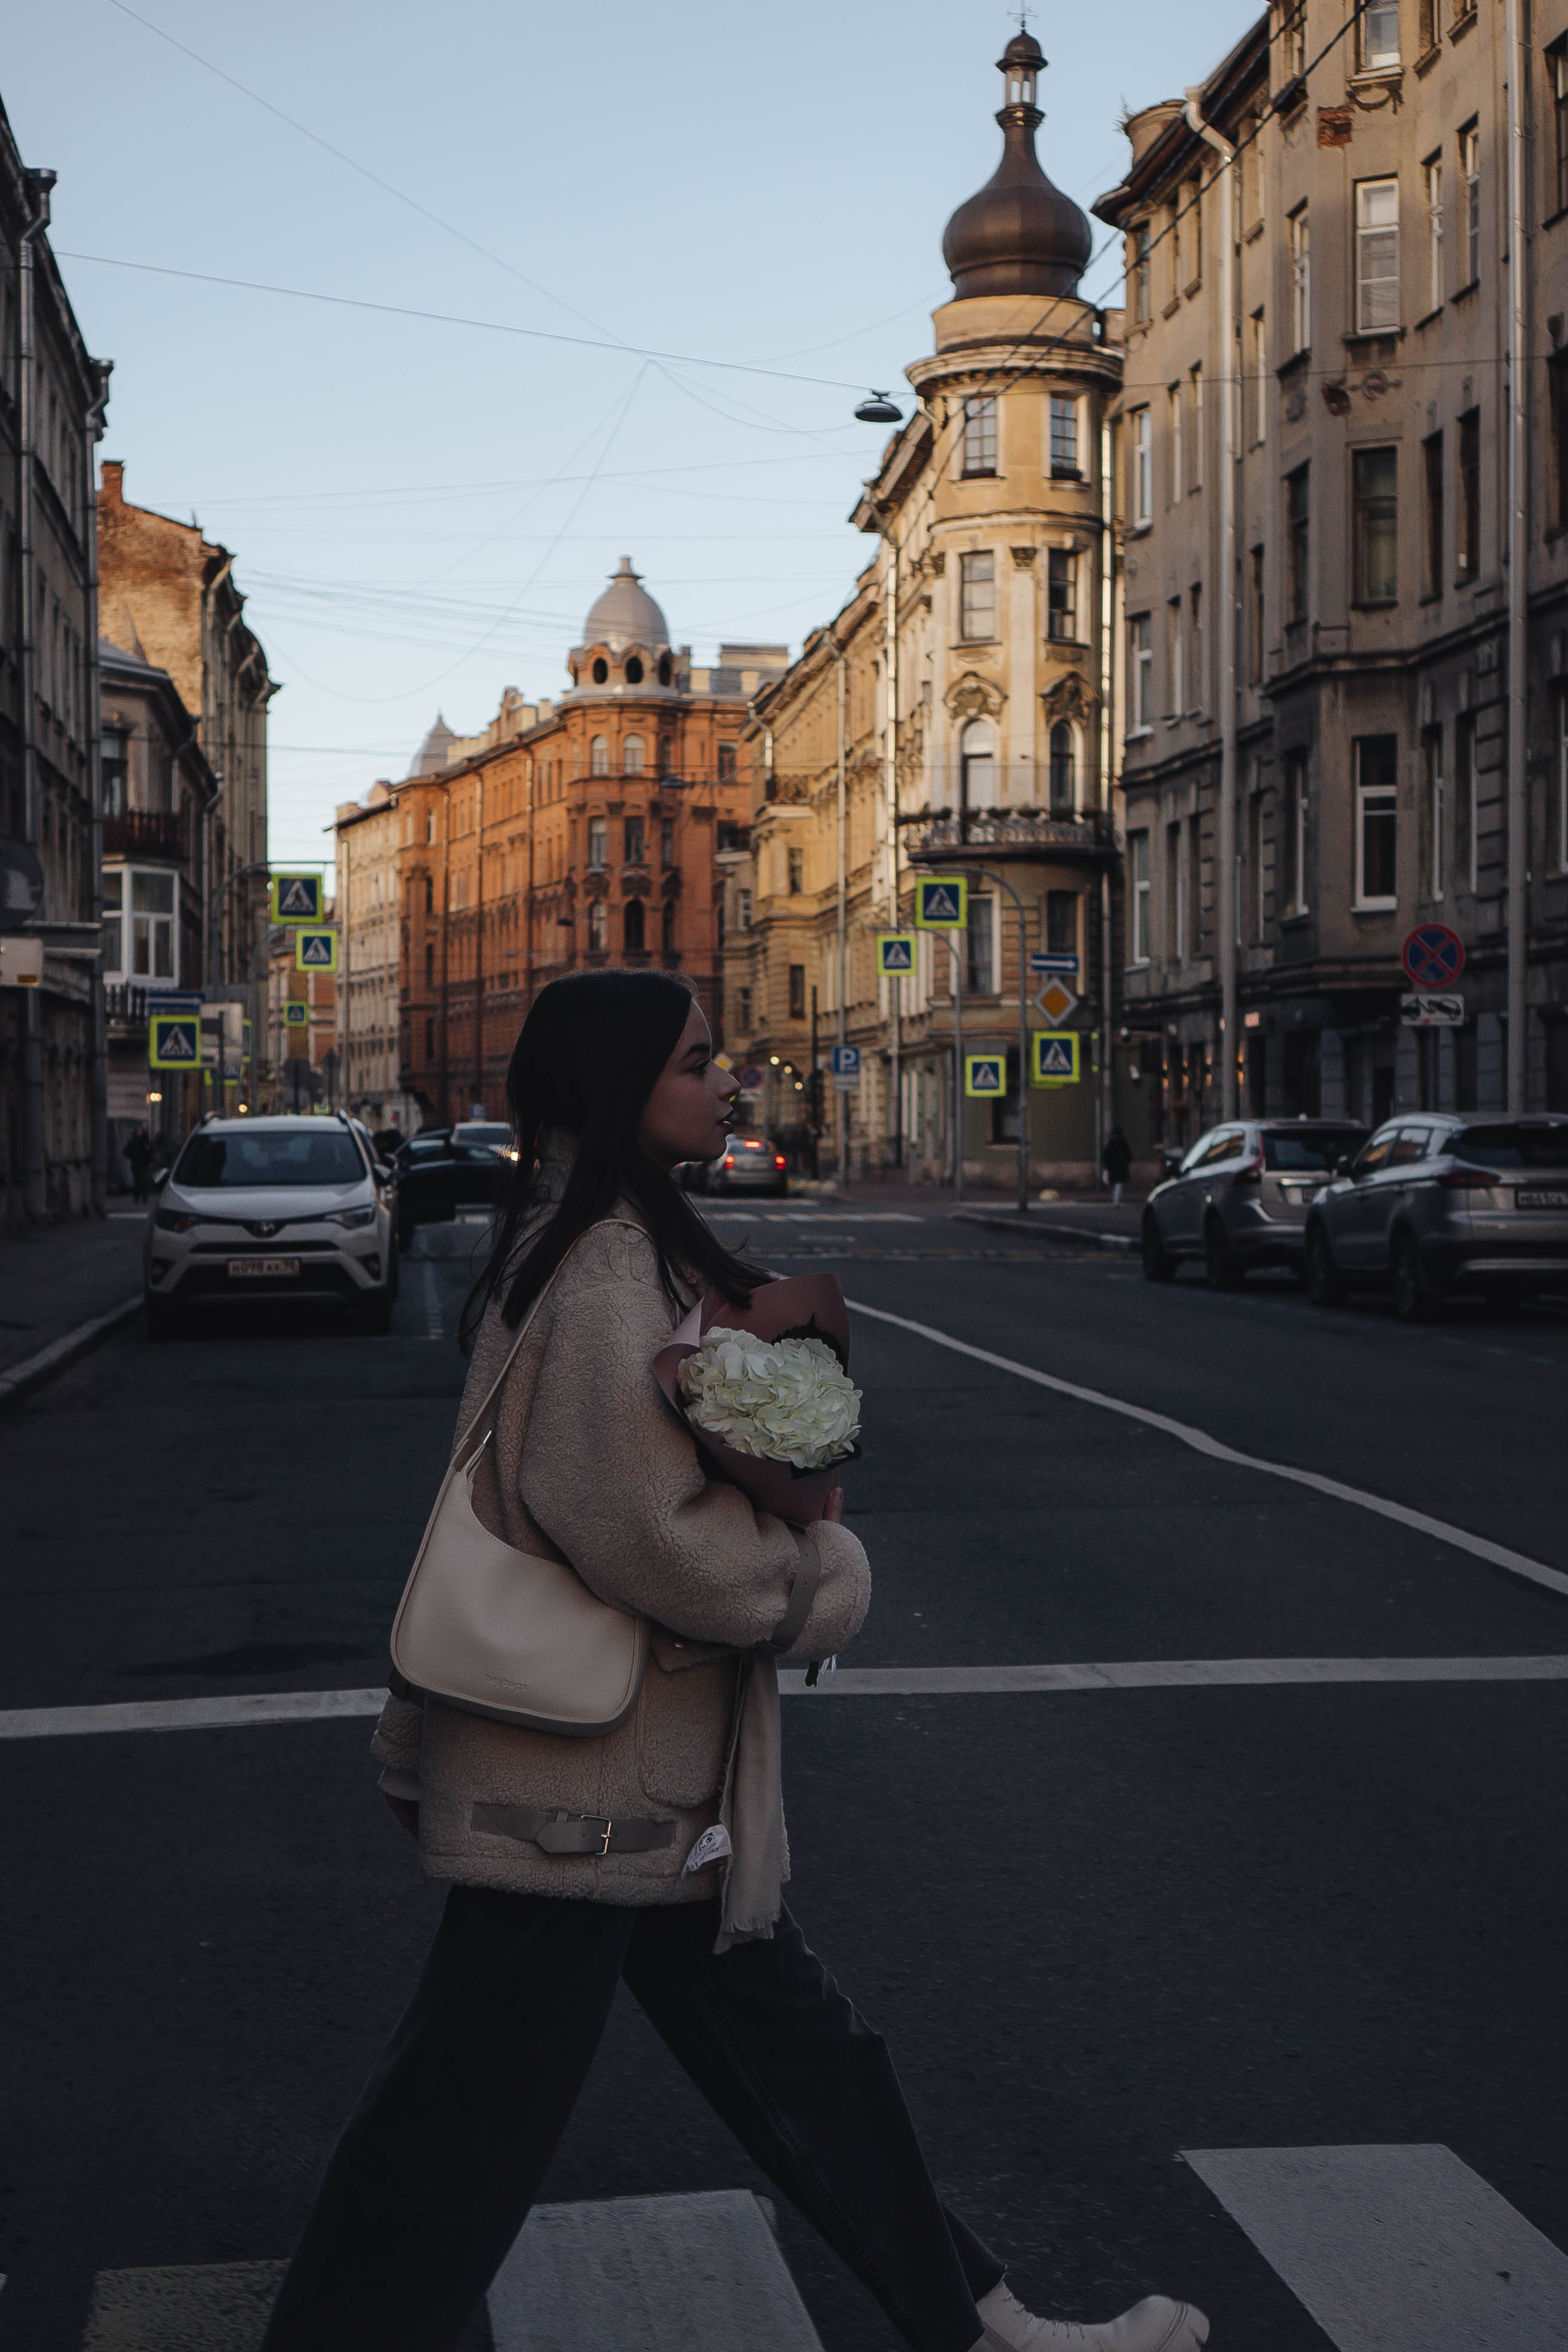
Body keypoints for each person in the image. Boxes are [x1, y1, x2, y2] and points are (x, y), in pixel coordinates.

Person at [260, 972, 1206, 2352]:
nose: (727, 1083)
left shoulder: (612, 1240)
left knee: (804, 2066)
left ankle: (976, 2319)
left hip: (634, 1783)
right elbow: (647, 1535)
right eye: (698, 1062)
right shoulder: (595, 1272)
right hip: (582, 1790)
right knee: (455, 2128)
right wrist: (813, 1579)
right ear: (619, 1080)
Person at [1101, 1125, 1133, 1207]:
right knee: (1119, 1184)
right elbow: (1128, 1155)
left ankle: (1115, 1199)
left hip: (1112, 1168)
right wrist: (1127, 1161)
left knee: (1114, 1183)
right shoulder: (1123, 1143)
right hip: (1121, 1167)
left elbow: (1106, 1156)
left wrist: (1107, 1165)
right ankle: (1116, 1200)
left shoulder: (1110, 1143)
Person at [123, 1123, 154, 1203]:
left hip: (144, 1164)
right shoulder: (133, 1142)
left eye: (141, 1131)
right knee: (137, 1181)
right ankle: (137, 1197)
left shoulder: (146, 1141)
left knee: (144, 1181)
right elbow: (125, 1151)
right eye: (138, 1131)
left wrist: (149, 1157)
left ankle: (144, 1197)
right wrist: (132, 1156)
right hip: (136, 1164)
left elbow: (151, 1151)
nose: (139, 1132)